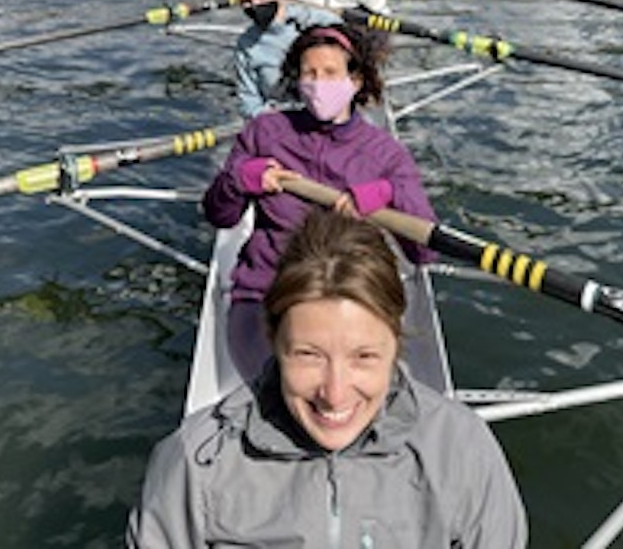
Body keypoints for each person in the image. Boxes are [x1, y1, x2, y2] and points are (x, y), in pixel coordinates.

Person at [126, 210, 527, 548]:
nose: (334, 395)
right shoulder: (194, 463)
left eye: (364, 357)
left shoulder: (464, 450)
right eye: (308, 355)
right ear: (272, 339)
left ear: (396, 342)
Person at [203, 23, 434, 379]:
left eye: (330, 73)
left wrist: (387, 194)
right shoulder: (265, 132)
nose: (318, 83)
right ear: (297, 80)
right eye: (309, 73)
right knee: (287, 385)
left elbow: (423, 253)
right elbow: (220, 215)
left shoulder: (386, 155)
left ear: (355, 81)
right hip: (265, 292)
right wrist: (240, 178)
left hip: (353, 296)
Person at [229, 0, 339, 118]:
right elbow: (249, 103)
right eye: (247, 2)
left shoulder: (319, 22)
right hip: (282, 124)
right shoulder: (247, 46)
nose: (255, 6)